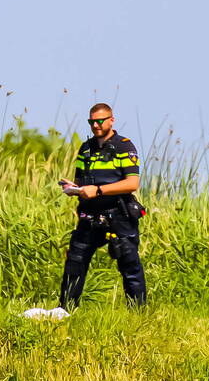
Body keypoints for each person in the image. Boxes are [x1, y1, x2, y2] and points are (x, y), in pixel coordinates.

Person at [58, 103, 147, 309]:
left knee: (129, 266)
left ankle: (139, 315)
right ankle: (66, 312)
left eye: (100, 121)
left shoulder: (124, 146)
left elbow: (132, 183)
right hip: (90, 215)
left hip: (118, 215)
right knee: (75, 263)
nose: (96, 125)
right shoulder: (86, 148)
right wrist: (74, 188)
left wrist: (98, 190)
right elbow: (81, 181)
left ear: (111, 120)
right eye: (92, 122)